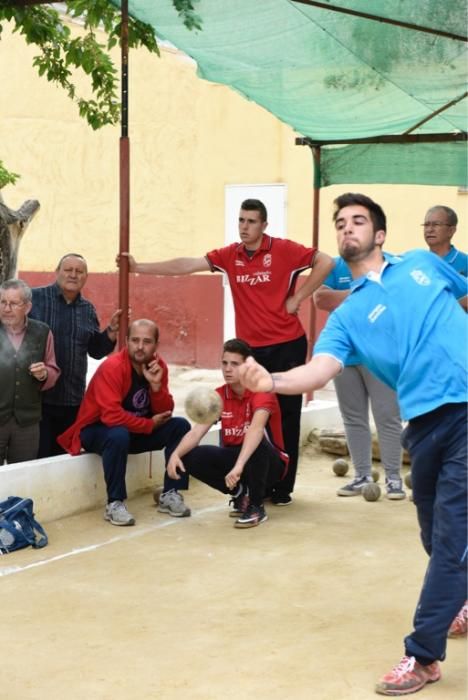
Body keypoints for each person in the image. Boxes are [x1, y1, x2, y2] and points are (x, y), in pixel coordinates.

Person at [239, 193, 467, 697]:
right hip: (426, 426)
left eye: (358, 221)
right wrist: (269, 381)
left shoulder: (425, 264)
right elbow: (318, 370)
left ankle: (423, 656)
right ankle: (459, 592)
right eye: (340, 223)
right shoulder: (346, 316)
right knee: (435, 534)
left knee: (451, 541)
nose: (347, 229)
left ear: (380, 234)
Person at [119, 199, 333, 505]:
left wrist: (298, 296)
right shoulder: (230, 256)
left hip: (286, 344)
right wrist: (140, 268)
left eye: (251, 222)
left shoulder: (284, 250)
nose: (245, 227)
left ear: (264, 225)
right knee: (243, 415)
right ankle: (244, 484)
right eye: (241, 221)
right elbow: (188, 265)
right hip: (250, 351)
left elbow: (326, 261)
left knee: (285, 418)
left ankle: (282, 488)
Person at [57, 319, 191, 526]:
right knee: (118, 433)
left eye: (147, 341)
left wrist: (156, 388)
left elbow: (165, 412)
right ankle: (115, 503)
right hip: (96, 431)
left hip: (132, 431)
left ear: (156, 345)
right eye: (135, 340)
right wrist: (148, 425)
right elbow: (111, 416)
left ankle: (170, 493)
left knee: (181, 427)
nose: (140, 347)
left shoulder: (158, 366)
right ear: (126, 341)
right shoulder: (112, 367)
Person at [165, 338, 288, 528]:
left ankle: (256, 507)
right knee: (190, 456)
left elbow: (256, 431)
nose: (228, 369)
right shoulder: (219, 395)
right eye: (224, 363)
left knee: (257, 445)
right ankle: (240, 493)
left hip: (269, 463)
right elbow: (196, 432)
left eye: (234, 364)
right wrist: (175, 454)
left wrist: (239, 465)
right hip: (238, 461)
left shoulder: (262, 390)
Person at [314, 257, 404, 499]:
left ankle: (394, 479)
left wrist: (343, 298)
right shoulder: (334, 265)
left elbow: (396, 301)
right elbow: (321, 299)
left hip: (381, 357)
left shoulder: (391, 265)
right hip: (345, 355)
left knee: (388, 418)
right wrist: (365, 293)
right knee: (353, 418)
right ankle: (361, 475)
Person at [29, 253, 122, 457]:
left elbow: (96, 351)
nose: (73, 275)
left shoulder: (87, 310)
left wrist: (111, 332)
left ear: (86, 277)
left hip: (72, 401)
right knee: (38, 460)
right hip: (37, 400)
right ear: (57, 272)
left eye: (79, 271)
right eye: (68, 270)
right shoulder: (34, 299)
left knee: (63, 461)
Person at [0, 279, 60, 464]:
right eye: (3, 302)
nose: (6, 309)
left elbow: (53, 369)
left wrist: (44, 374)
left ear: (27, 307)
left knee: (22, 477)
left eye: (13, 303)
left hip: (27, 423)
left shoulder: (42, 332)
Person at [422, 205, 467, 276]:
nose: (429, 230)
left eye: (436, 224)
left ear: (451, 230)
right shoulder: (419, 262)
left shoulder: (465, 263)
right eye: (426, 225)